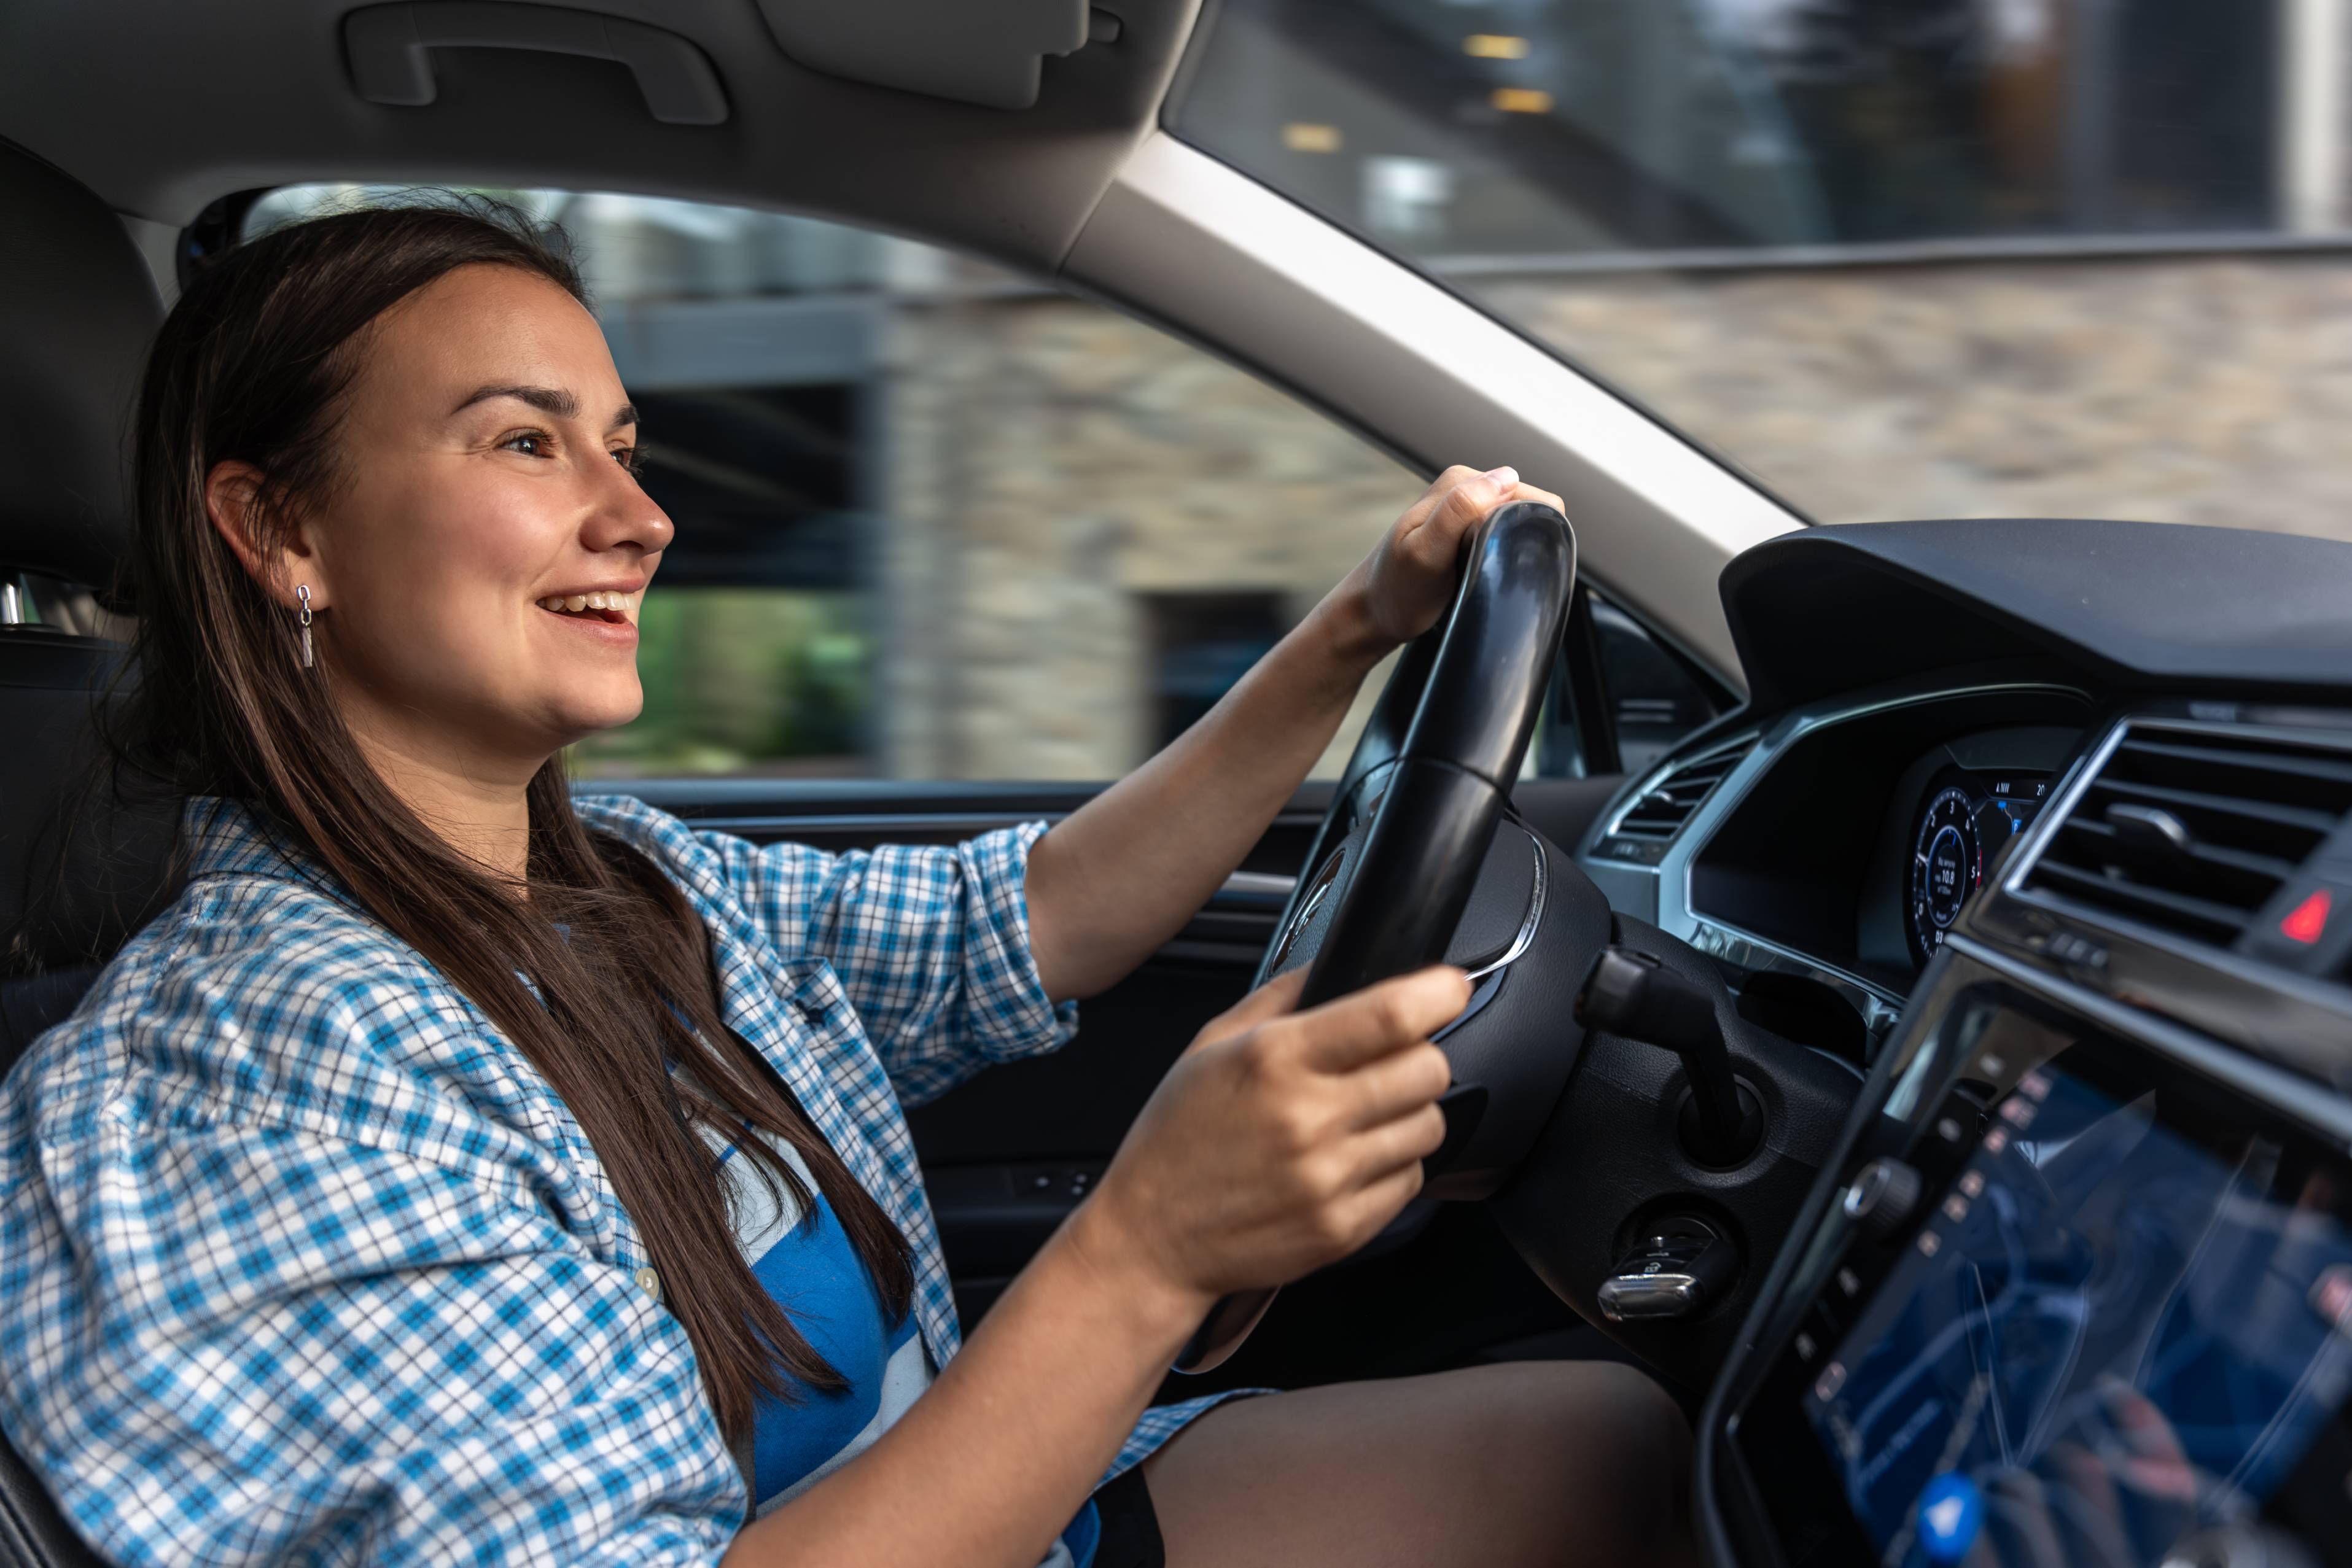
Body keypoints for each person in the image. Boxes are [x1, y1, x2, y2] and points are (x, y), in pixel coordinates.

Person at [0, 200, 1691, 1568]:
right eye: (527, 443)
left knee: (1631, 1454)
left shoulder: (616, 885)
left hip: (1006, 1516)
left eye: (623, 441)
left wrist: (1353, 634)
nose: (642, 514)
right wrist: (1147, 1248)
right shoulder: (270, 1077)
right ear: (278, 529)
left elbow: (1019, 918)